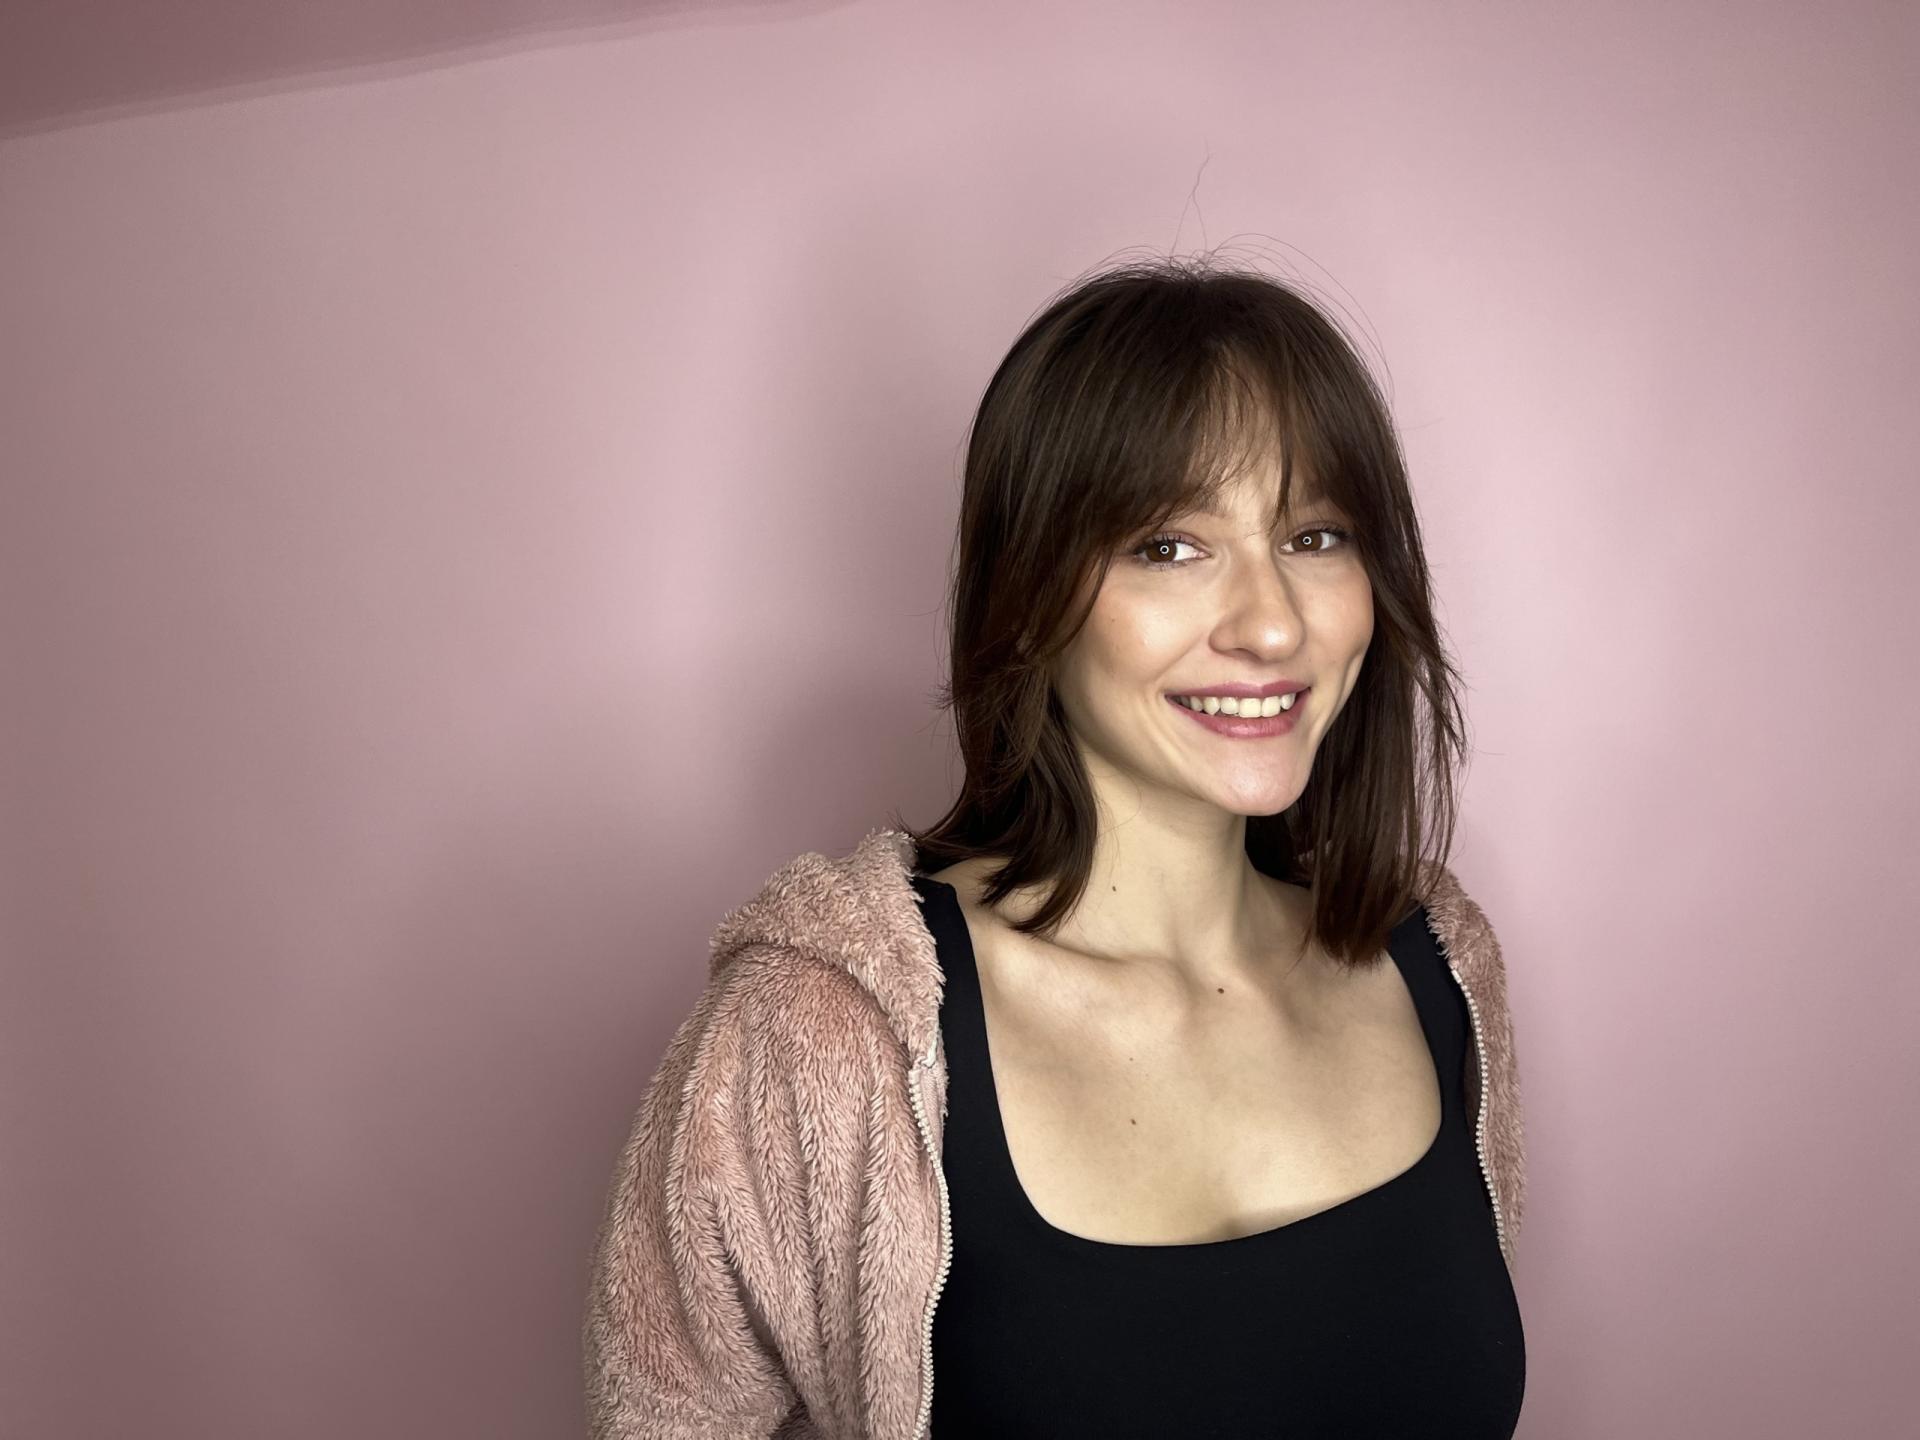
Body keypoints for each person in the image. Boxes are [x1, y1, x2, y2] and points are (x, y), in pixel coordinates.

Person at [583, 256, 1529, 1439]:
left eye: (1316, 535)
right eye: (1169, 546)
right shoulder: (820, 1032)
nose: (1273, 624)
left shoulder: (1444, 969)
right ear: (1028, 596)